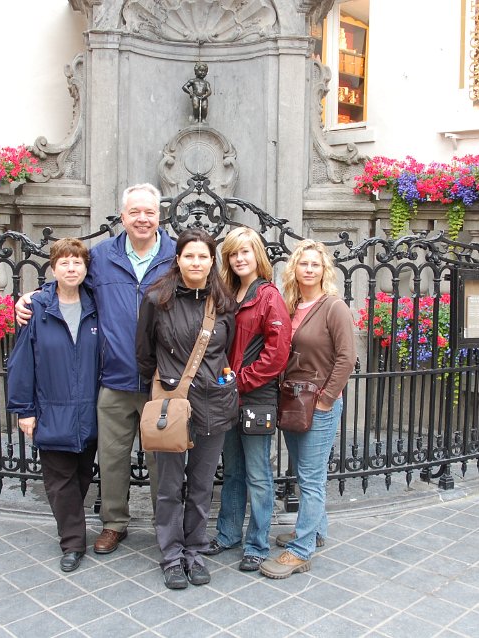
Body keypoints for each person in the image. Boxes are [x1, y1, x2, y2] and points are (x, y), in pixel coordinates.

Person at [15, 183, 176, 555]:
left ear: (159, 216)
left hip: (160, 381)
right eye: (134, 212)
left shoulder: (175, 255)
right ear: (123, 216)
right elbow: (67, 283)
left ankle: (165, 526)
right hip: (114, 378)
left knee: (162, 462)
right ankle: (114, 523)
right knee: (112, 459)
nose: (142, 218)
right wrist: (33, 297)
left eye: (149, 212)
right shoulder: (102, 256)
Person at [136, 228, 238, 589]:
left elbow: (228, 352)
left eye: (203, 256)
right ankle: (171, 555)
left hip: (213, 405)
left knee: (200, 486)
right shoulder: (156, 300)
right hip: (171, 406)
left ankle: (195, 550)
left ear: (212, 262)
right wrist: (164, 386)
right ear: (178, 259)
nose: (196, 262)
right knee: (168, 487)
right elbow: (144, 354)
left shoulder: (225, 304)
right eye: (189, 256)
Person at [260, 239, 355, 579]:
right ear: (294, 269)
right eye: (304, 263)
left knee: (312, 479)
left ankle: (300, 551)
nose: (309, 269)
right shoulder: (291, 305)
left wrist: (326, 400)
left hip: (319, 405)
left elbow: (347, 358)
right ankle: (314, 531)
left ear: (324, 270)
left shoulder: (333, 307)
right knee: (304, 473)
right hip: (293, 402)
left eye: (316, 264)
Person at [201, 227, 291, 572]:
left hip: (256, 397)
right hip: (229, 396)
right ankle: (227, 535)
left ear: (257, 256)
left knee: (258, 474)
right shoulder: (226, 295)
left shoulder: (268, 296)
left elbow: (277, 353)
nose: (239, 258)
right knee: (233, 471)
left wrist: (241, 381)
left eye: (245, 252)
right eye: (233, 253)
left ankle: (256, 544)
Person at [7, 238, 99, 573]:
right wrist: (25, 409)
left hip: (90, 410)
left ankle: (73, 527)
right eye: (64, 262)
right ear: (53, 267)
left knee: (82, 475)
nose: (71, 268)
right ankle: (73, 543)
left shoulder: (97, 305)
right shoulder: (37, 308)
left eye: (77, 262)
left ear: (86, 268)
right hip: (51, 407)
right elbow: (22, 362)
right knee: (60, 482)